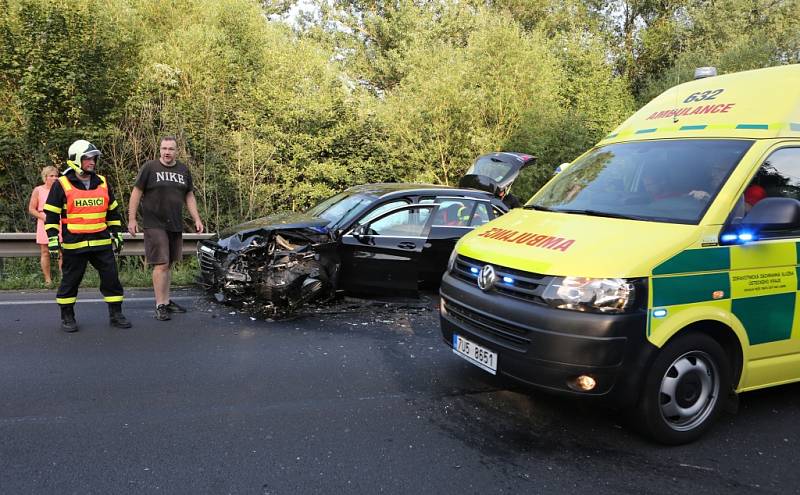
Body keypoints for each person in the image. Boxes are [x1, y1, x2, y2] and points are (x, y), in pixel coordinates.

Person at [44, 140, 131, 332]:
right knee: (70, 281)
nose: (92, 161)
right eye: (88, 158)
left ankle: (116, 314)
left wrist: (117, 233)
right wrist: (52, 238)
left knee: (111, 279)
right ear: (76, 159)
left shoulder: (103, 182)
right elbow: (51, 215)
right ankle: (67, 316)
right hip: (75, 244)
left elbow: (113, 212)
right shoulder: (62, 184)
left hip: (101, 242)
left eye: (94, 158)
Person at [127, 136, 204, 321]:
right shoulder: (150, 168)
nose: (167, 152)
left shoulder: (183, 170)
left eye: (170, 149)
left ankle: (167, 301)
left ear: (176, 151)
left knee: (168, 264)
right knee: (161, 263)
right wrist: (131, 219)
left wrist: (197, 218)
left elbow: (189, 196)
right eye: (164, 148)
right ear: (159, 150)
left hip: (174, 223)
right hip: (154, 223)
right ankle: (160, 305)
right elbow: (136, 192)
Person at [28, 166, 61, 286]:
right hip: (44, 221)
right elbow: (31, 209)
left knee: (62, 251)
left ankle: (64, 279)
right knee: (45, 252)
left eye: (56, 176)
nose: (55, 178)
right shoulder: (38, 190)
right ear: (45, 177)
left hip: (60, 221)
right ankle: (48, 280)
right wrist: (43, 217)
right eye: (51, 176)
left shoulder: (61, 188)